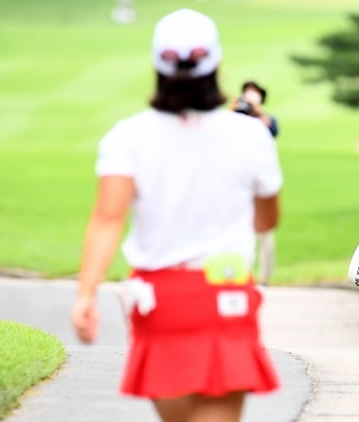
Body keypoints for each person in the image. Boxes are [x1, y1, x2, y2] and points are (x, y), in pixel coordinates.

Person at [71, 8, 282, 422]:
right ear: (216, 63)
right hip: (225, 295)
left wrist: (85, 293)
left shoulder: (126, 136)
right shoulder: (250, 135)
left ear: (156, 64)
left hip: (159, 301)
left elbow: (107, 218)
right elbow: (266, 221)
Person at [230, 81, 279, 285]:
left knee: (265, 234)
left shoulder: (264, 121)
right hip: (236, 182)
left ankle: (264, 276)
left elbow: (272, 130)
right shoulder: (231, 118)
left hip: (258, 183)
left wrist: (257, 112)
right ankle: (242, 274)